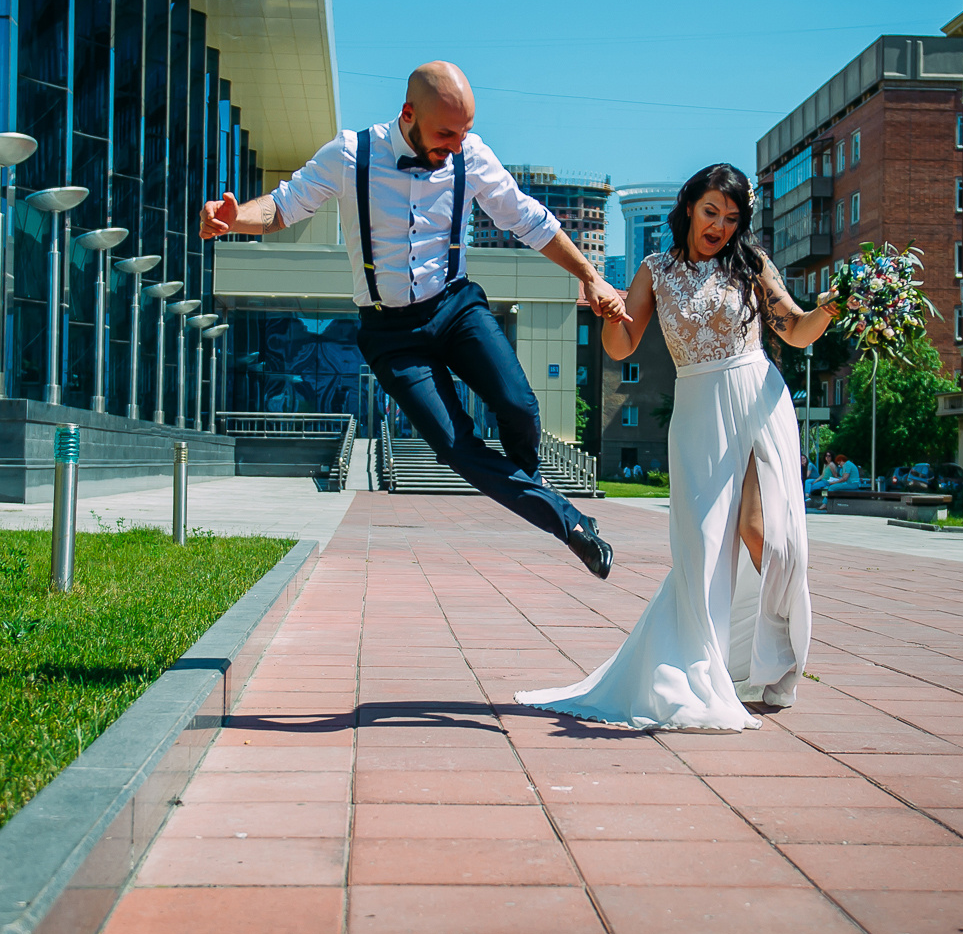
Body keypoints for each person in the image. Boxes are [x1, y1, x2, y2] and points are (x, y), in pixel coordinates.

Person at [201, 62, 626, 576]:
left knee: (520, 407)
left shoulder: (471, 153)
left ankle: (536, 494)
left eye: (464, 131)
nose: (457, 144)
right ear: (408, 114)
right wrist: (234, 218)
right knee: (454, 446)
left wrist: (589, 276)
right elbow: (285, 206)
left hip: (455, 307)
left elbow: (528, 218)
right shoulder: (351, 153)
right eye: (446, 133)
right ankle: (569, 524)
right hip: (390, 333)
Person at [518, 164, 836, 730]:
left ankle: (771, 659)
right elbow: (621, 347)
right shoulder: (655, 270)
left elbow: (793, 328)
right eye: (711, 211)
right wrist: (610, 312)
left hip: (760, 396)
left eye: (732, 218)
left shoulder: (751, 265)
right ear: (690, 206)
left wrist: (829, 311)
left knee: (773, 537)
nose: (719, 226)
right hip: (698, 410)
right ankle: (701, 668)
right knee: (705, 549)